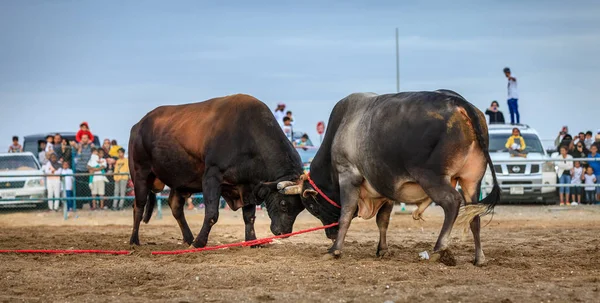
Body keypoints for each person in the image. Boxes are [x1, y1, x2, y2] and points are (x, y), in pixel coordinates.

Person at [75, 134, 94, 202]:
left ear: (88, 139)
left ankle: (89, 203)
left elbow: (94, 154)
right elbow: (77, 159)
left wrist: (91, 144)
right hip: (79, 170)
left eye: (85, 138)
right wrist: (79, 151)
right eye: (83, 138)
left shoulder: (91, 147)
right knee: (79, 188)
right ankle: (79, 205)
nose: (84, 139)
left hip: (88, 170)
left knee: (88, 188)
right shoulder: (79, 147)